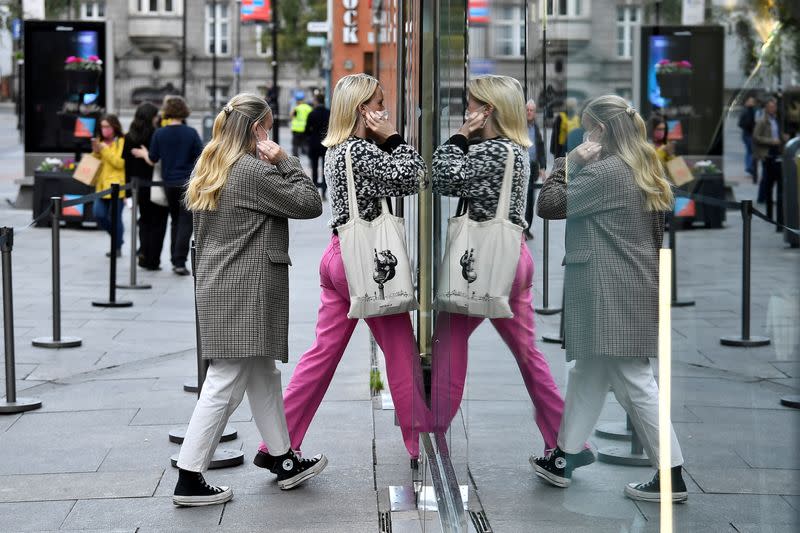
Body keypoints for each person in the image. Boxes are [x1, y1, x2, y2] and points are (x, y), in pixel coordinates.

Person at [253, 73, 430, 469]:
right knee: (401, 352)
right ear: (361, 109)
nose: (383, 111)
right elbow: (417, 175)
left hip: (337, 257)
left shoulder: (336, 149)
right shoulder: (362, 151)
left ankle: (277, 445)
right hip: (365, 264)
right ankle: (419, 441)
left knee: (320, 356)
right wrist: (393, 135)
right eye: (378, 103)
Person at [430, 75, 591, 467]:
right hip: (513, 258)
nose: (466, 112)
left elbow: (442, 176)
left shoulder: (491, 151)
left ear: (488, 111)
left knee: (449, 347)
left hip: (482, 265)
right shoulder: (518, 149)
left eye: (471, 105)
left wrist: (458, 137)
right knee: (529, 354)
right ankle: (566, 445)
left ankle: (432, 435)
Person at [173, 93, 326, 507]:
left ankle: (283, 459)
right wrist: (284, 161)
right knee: (223, 381)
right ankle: (189, 475)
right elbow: (310, 204)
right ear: (257, 129)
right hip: (245, 287)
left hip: (221, 282)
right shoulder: (251, 171)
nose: (272, 133)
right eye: (269, 126)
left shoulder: (213, 162)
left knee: (262, 374)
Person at [534, 95, 688, 503]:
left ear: (599, 131)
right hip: (632, 282)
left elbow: (548, 204)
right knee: (587, 371)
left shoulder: (606, 173)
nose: (584, 134)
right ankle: (564, 457)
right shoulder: (644, 166)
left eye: (587, 127)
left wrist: (571, 163)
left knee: (636, 381)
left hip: (609, 288)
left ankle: (671, 474)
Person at [132, 96, 203, 276]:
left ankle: (174, 258)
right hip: (187, 183)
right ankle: (179, 261)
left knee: (174, 220)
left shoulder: (160, 133)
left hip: (168, 183)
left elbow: (153, 159)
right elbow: (201, 159)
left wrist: (144, 154)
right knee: (185, 222)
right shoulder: (191, 133)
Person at [122, 102, 169, 270]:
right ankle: (153, 259)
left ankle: (143, 253)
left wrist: (127, 192)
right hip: (156, 184)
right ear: (152, 117)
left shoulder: (129, 137)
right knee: (159, 222)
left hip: (137, 186)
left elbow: (126, 165)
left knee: (144, 220)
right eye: (157, 116)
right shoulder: (158, 134)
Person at [91, 114, 126, 257]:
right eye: (102, 126)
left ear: (114, 127)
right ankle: (118, 239)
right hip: (101, 186)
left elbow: (120, 163)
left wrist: (104, 149)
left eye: (107, 126)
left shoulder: (122, 142)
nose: (104, 130)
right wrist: (96, 151)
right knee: (98, 214)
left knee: (115, 218)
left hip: (117, 185)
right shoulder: (100, 141)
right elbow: (96, 162)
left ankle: (116, 247)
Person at [753, 97, 788, 224]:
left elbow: (778, 135)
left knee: (777, 181)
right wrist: (771, 141)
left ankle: (776, 212)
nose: (773, 108)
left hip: (777, 153)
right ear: (766, 108)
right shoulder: (762, 121)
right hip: (767, 154)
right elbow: (756, 137)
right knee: (768, 181)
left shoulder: (777, 120)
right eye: (771, 106)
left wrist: (783, 137)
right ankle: (767, 209)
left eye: (775, 106)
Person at [524, 99, 546, 240]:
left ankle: (527, 228)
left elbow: (540, 149)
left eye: (532, 110)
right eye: (527, 110)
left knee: (530, 199)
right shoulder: (519, 127)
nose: (529, 112)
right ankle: (521, 228)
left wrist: (542, 167)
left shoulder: (536, 128)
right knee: (522, 198)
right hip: (521, 166)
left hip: (532, 167)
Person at [305, 93, 331, 200]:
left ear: (316, 101)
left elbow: (306, 130)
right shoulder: (329, 113)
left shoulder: (312, 114)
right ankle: (324, 192)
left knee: (315, 168)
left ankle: (315, 192)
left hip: (314, 143)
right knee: (325, 168)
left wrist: (310, 136)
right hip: (326, 143)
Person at [738, 96, 758, 183]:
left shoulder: (755, 111)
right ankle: (750, 167)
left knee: (750, 151)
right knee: (750, 150)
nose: (751, 103)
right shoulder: (745, 111)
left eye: (752, 101)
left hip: (752, 134)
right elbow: (740, 123)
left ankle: (750, 167)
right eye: (749, 101)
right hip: (747, 134)